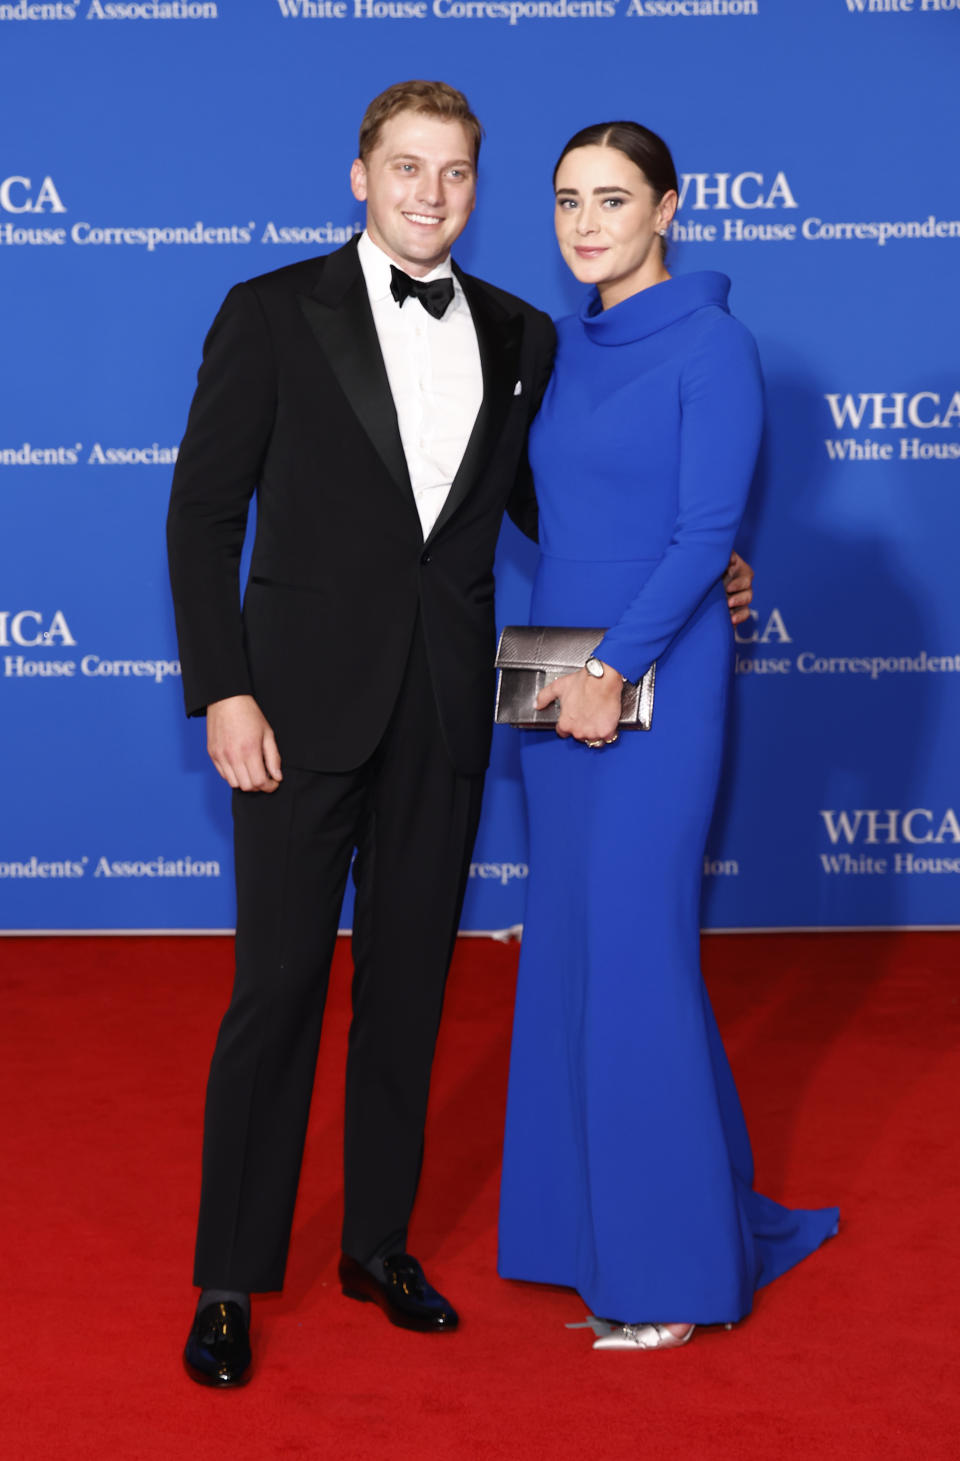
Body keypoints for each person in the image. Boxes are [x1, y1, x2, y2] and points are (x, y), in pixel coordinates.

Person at [167, 84, 754, 1387]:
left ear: (476, 193)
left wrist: (707, 565)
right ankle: (229, 1278)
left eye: (455, 174)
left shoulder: (525, 335)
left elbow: (577, 503)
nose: (430, 194)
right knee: (274, 998)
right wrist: (226, 690)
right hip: (297, 715)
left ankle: (377, 1244)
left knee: (409, 996)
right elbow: (201, 519)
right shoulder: (268, 313)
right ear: (362, 176)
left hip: (446, 715)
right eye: (405, 169)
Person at [497, 122, 838, 1351]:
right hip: (549, 666)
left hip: (651, 668)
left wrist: (613, 665)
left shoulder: (716, 344)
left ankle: (672, 1270)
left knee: (637, 952)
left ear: (669, 208)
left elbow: (704, 535)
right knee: (573, 955)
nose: (587, 223)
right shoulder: (560, 347)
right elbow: (550, 505)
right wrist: (571, 670)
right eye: (567, 201)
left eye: (614, 198)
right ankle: (567, 1231)